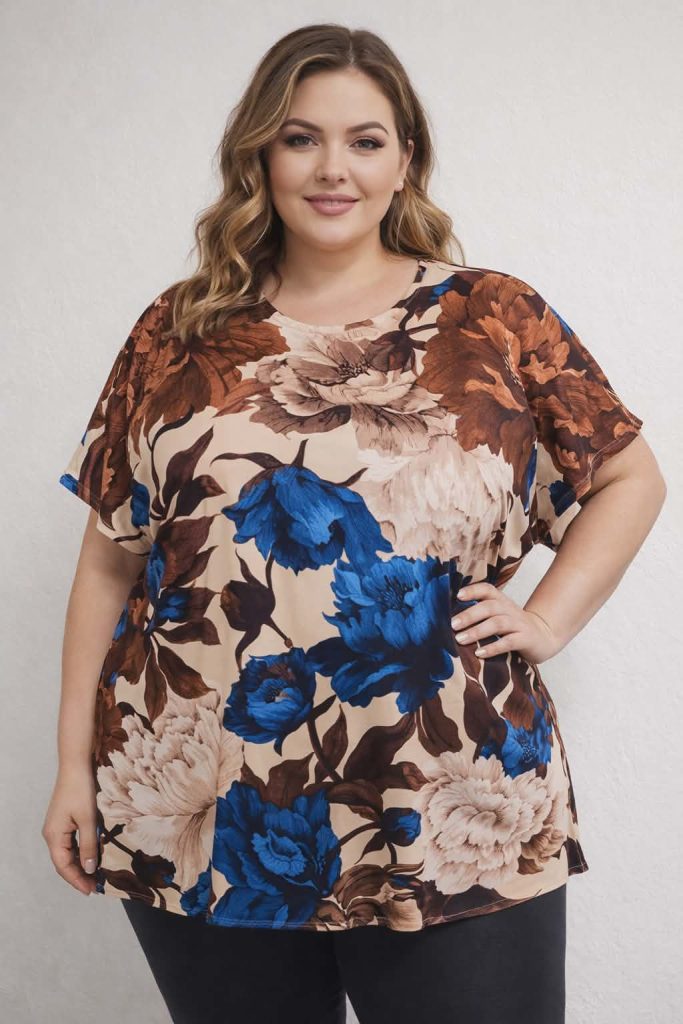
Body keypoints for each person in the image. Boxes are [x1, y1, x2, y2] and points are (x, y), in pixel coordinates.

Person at [42, 22, 666, 1024]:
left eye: (364, 140)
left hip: (449, 793)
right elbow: (110, 562)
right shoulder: (178, 329)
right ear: (259, 155)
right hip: (204, 802)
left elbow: (629, 477)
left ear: (404, 159)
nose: (333, 168)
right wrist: (72, 770)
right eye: (301, 138)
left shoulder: (492, 318)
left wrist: (547, 619)